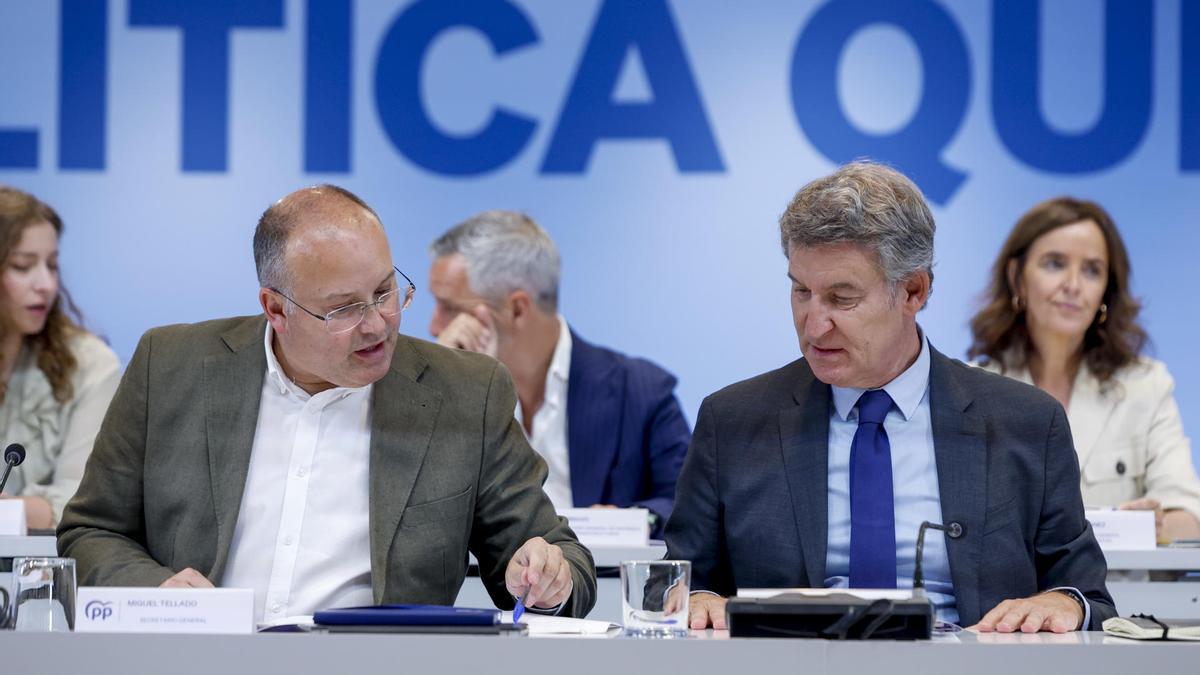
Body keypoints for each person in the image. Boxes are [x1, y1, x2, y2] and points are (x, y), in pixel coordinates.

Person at [58, 186, 596, 623]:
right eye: (342, 310)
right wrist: (159, 592)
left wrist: (549, 576)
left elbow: (556, 552)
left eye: (385, 292)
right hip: (200, 659)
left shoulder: (465, 392)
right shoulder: (170, 365)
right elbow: (90, 531)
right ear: (275, 308)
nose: (377, 324)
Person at [665, 161, 1115, 633]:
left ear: (913, 291)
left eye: (842, 299)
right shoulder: (732, 421)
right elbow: (678, 579)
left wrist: (1067, 604)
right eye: (801, 292)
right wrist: (695, 598)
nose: (814, 325)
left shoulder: (1025, 421)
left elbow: (1088, 594)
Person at [428, 211, 690, 533]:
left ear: (517, 309)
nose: (434, 326)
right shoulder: (442, 396)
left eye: (450, 308)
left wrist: (628, 522)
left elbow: (685, 503)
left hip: (597, 581)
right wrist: (455, 391)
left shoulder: (642, 391)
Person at [969, 197, 1200, 542]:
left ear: (1107, 290)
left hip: (1122, 593)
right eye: (1055, 264)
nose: (1074, 285)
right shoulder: (974, 388)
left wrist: (1155, 526)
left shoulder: (1145, 387)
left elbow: (1191, 519)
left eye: (1092, 270)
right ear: (1017, 278)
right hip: (1013, 596)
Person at [0, 186, 120, 530]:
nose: (46, 284)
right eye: (23, 266)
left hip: (43, 571)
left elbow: (85, 501)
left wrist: (11, 513)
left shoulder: (90, 364)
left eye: (51, 265)